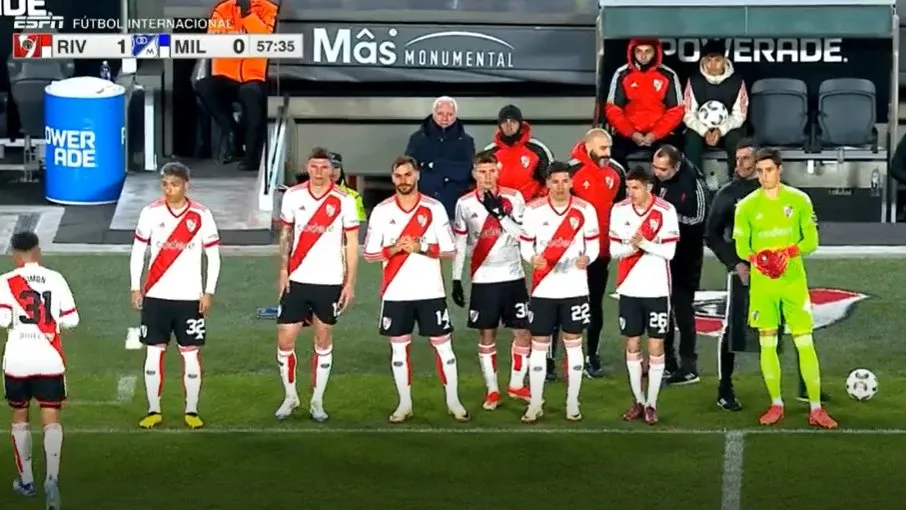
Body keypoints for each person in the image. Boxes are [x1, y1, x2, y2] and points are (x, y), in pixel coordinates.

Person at [708, 141, 831, 410]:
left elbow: (810, 235)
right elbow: (712, 235)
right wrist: (737, 263)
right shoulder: (729, 196)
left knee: (795, 331)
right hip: (747, 273)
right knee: (735, 330)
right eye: (737, 158)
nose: (741, 163)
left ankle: (805, 388)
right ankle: (725, 388)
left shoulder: (793, 198)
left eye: (747, 158)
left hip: (787, 277)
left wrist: (786, 253)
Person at [363, 155, 469, 423]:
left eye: (408, 175)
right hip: (396, 293)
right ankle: (404, 404)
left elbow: (449, 249)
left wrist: (421, 247)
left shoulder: (434, 209)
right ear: (392, 178)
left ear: (417, 175)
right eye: (398, 176)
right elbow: (370, 253)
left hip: (430, 292)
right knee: (399, 350)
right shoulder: (382, 211)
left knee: (444, 348)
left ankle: (454, 402)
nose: (403, 181)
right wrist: (396, 248)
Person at [130, 162, 222, 430]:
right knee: (153, 353)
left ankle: (191, 410)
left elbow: (213, 257)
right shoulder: (150, 213)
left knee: (190, 354)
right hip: (156, 296)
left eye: (175, 185)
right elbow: (138, 252)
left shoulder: (202, 216)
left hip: (189, 298)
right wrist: (136, 286)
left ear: (186, 185)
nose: (169, 190)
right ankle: (153, 410)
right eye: (165, 185)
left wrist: (209, 291)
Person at [275, 148, 360, 422]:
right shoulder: (293, 196)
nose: (320, 172)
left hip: (330, 280)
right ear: (307, 167)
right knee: (285, 338)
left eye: (325, 167)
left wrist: (350, 282)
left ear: (332, 170)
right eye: (314, 166)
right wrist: (284, 270)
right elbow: (286, 235)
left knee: (323, 338)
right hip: (298, 278)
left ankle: (317, 401)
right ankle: (290, 397)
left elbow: (351, 244)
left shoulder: (344, 200)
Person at [0, 231, 78, 509]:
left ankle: (26, 480)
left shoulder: (5, 282)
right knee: (51, 417)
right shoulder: (56, 279)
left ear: (14, 254)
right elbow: (71, 320)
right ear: (38, 251)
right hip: (49, 358)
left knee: (20, 417)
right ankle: (52, 479)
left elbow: (3, 318)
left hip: (18, 358)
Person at [519, 161, 600, 423]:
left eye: (565, 181)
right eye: (555, 181)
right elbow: (525, 245)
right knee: (539, 347)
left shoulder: (585, 210)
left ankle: (572, 402)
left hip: (575, 288)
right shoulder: (533, 211)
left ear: (571, 182)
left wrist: (588, 257)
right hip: (544, 289)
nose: (561, 186)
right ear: (547, 184)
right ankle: (535, 403)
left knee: (574, 345)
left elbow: (594, 244)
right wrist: (532, 259)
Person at [450, 152, 532, 409]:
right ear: (474, 173)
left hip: (513, 276)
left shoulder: (514, 198)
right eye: (481, 172)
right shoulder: (464, 204)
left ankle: (516, 385)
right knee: (487, 334)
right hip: (483, 279)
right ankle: (493, 389)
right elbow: (461, 244)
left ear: (498, 172)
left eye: (491, 171)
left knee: (523, 332)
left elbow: (523, 235)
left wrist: (500, 214)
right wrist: (455, 279)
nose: (487, 177)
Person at [609, 166, 679, 425]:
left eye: (636, 187)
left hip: (657, 288)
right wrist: (633, 246)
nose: (631, 193)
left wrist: (644, 244)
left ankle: (652, 403)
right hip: (629, 288)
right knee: (632, 345)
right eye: (628, 187)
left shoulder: (665, 211)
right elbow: (614, 250)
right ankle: (637, 400)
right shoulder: (620, 211)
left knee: (656, 345)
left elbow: (670, 253)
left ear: (649, 187)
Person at [558, 127, 625, 379]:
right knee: (562, 302)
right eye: (602, 149)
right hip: (571, 254)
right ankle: (554, 359)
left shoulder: (616, 172)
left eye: (609, 148)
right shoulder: (571, 172)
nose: (607, 153)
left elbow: (619, 209)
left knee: (594, 304)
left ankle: (592, 355)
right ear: (588, 147)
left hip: (601, 252)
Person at [194, 0, 278, 170]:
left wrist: (248, 16)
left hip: (256, 77)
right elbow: (213, 40)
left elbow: (266, 39)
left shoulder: (269, 10)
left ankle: (251, 157)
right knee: (204, 86)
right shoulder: (222, 9)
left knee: (251, 94)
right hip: (228, 76)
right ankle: (231, 130)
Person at [650, 145, 707, 384]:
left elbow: (698, 218)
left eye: (662, 169)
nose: (657, 173)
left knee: (683, 310)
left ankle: (689, 366)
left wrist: (668, 221)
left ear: (675, 166)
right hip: (661, 255)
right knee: (661, 308)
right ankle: (666, 361)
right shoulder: (660, 177)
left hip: (686, 256)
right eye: (655, 167)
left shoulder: (693, 184)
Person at [605, 39, 684, 167]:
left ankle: (665, 186)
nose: (643, 55)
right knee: (612, 155)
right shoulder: (622, 74)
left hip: (660, 135)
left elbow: (676, 110)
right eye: (639, 51)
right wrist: (631, 133)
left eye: (648, 51)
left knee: (673, 155)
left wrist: (655, 134)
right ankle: (626, 185)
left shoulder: (668, 75)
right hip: (628, 134)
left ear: (656, 52)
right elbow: (613, 109)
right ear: (632, 52)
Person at [682, 39, 748, 177]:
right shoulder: (694, 80)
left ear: (724, 60)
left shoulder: (737, 81)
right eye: (708, 60)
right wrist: (705, 131)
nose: (712, 65)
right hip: (701, 130)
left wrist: (720, 130)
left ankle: (737, 179)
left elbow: (739, 115)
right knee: (691, 139)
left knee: (736, 139)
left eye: (717, 60)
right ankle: (695, 181)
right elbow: (688, 114)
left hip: (726, 129)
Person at [405, 96, 476, 218]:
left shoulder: (466, 141)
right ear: (433, 114)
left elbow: (466, 172)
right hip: (421, 205)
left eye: (449, 114)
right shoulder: (417, 139)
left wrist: (435, 165)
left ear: (455, 115)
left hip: (453, 207)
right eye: (441, 114)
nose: (445, 118)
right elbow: (408, 170)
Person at [483, 104, 553, 202]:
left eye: (513, 122)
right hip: (498, 207)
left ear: (520, 124)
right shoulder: (489, 152)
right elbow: (480, 182)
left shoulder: (537, 149)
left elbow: (552, 179)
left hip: (530, 207)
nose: (509, 126)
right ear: (499, 125)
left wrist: (538, 200)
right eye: (504, 122)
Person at [329, 152, 367, 222]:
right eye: (329, 167)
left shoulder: (354, 196)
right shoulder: (310, 193)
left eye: (336, 167)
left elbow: (361, 224)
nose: (333, 171)